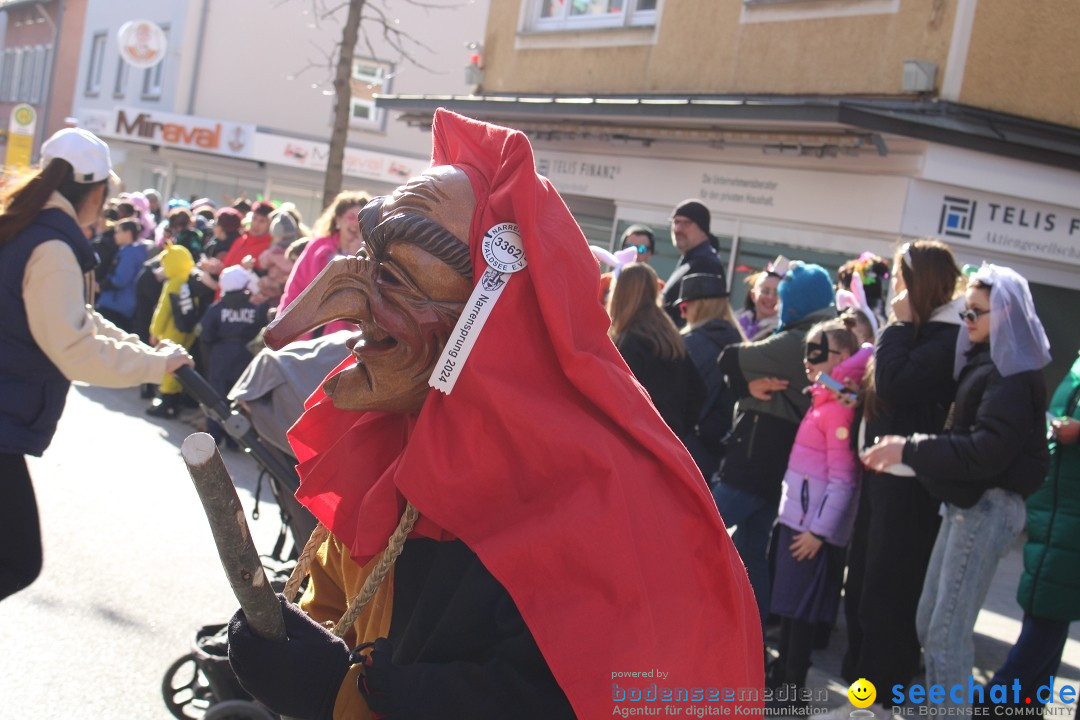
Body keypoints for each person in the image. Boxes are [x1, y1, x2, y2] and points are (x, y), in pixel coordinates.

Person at [225, 109, 761, 719]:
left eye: (394, 278)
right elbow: (341, 603)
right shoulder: (388, 445)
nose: (347, 305)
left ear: (489, 320)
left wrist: (345, 698)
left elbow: (587, 699)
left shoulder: (607, 499)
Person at [0, 128, 192, 602]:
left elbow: (81, 321)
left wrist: (151, 354)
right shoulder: (52, 247)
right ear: (97, 191)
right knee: (17, 560)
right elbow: (75, 347)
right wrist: (155, 367)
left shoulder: (26, 227)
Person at [862, 264, 1051, 712]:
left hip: (984, 506)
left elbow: (986, 450)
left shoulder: (1011, 370)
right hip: (967, 504)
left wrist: (910, 449)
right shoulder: (993, 361)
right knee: (932, 625)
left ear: (1005, 313)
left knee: (945, 634)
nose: (967, 323)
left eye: (976, 314)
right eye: (965, 313)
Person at [834, 239, 965, 720]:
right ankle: (864, 697)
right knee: (868, 589)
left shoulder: (943, 337)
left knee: (887, 598)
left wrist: (896, 326)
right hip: (884, 474)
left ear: (921, 284)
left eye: (903, 280)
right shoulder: (923, 331)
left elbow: (892, 383)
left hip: (910, 482)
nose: (894, 290)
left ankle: (877, 702)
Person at [714, 261, 837, 623]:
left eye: (784, 297)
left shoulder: (796, 341)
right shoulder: (827, 336)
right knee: (753, 552)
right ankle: (754, 630)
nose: (779, 304)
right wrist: (749, 386)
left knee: (701, 529)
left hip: (755, 460)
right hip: (783, 464)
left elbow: (730, 358)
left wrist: (744, 385)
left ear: (796, 301)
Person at [768, 319, 868, 708]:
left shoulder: (838, 410)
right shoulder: (823, 402)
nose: (807, 361)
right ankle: (782, 683)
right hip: (797, 522)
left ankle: (792, 693)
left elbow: (844, 481)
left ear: (841, 357)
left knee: (801, 616)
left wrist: (819, 532)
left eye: (817, 352)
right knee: (790, 612)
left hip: (809, 532)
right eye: (806, 350)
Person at [980, 350, 1080, 716]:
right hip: (1056, 508)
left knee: (1047, 614)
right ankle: (1023, 707)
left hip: (1069, 517)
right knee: (1046, 612)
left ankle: (994, 704)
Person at [608, 262, 705, 444]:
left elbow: (618, 400)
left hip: (636, 442)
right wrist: (678, 432)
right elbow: (698, 391)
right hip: (667, 440)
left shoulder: (628, 340)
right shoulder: (670, 335)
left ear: (619, 293)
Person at [678, 272, 744, 478]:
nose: (682, 314)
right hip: (718, 450)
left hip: (688, 448)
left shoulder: (692, 345)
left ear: (702, 304)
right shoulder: (739, 340)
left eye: (684, 307)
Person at [278, 190, 368, 335]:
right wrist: (283, 326)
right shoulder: (317, 247)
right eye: (351, 217)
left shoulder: (370, 254)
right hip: (308, 329)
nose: (356, 224)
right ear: (338, 220)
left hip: (342, 338)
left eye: (362, 219)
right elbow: (295, 288)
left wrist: (356, 255)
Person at [200, 265, 269, 447]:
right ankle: (235, 438)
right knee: (238, 397)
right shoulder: (256, 309)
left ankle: (214, 435)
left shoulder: (216, 309)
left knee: (216, 397)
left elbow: (205, 335)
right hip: (246, 356)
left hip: (220, 356)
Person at [145, 243, 199, 418]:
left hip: (172, 329)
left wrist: (155, 331)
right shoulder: (191, 279)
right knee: (182, 363)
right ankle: (175, 403)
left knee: (169, 364)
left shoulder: (173, 283)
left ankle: (166, 403)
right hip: (187, 330)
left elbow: (164, 310)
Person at [660, 199, 726, 326]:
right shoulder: (690, 260)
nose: (678, 229)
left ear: (702, 228)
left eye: (685, 223)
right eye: (676, 222)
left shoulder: (707, 264)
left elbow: (703, 318)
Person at [95, 218, 149, 332]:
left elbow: (120, 279)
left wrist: (100, 286)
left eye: (118, 231)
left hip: (116, 304)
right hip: (122, 305)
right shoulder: (134, 251)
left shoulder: (130, 253)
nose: (115, 235)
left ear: (128, 233)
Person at [598, 224, 659, 304]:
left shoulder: (658, 287)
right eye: (630, 247)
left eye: (642, 249)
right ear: (622, 249)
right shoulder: (602, 283)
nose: (635, 253)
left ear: (650, 253)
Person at [737, 260, 786, 341]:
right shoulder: (734, 321)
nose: (771, 297)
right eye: (765, 291)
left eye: (777, 293)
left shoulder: (780, 332)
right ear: (753, 295)